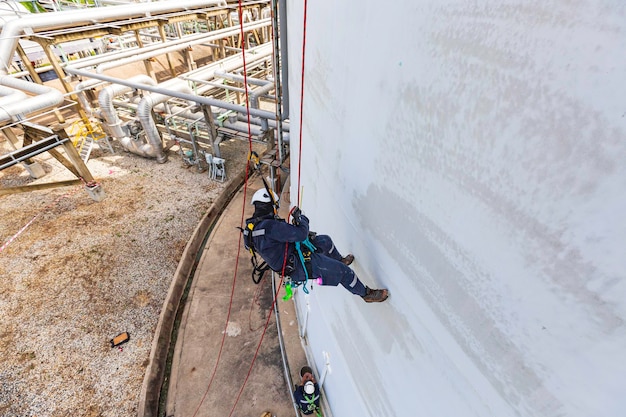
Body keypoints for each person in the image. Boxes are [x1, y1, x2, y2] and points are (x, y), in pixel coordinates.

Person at [245, 188, 389, 303]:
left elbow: (275, 240)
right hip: (297, 265)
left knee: (325, 241)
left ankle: (338, 259)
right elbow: (301, 234)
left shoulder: (253, 229)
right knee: (344, 272)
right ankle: (366, 294)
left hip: (292, 253)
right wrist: (302, 219)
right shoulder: (269, 226)